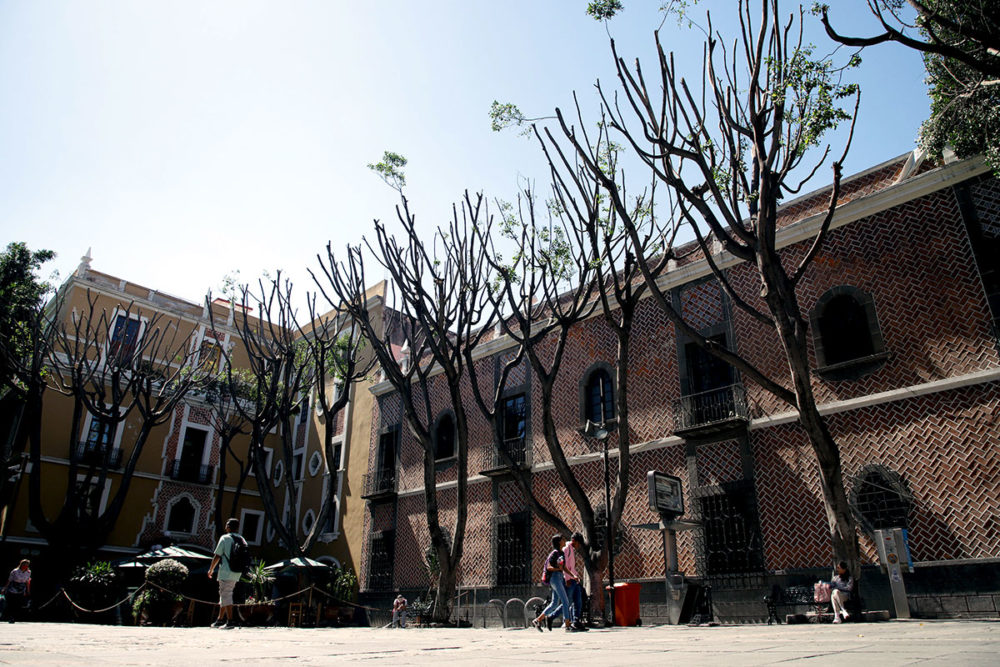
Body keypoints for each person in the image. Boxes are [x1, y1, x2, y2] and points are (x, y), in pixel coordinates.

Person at [532, 535, 575, 633]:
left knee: (555, 603)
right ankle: (567, 625)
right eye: (563, 539)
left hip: (559, 577)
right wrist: (557, 569)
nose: (564, 540)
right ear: (559, 542)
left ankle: (537, 620)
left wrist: (573, 575)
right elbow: (549, 567)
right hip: (555, 578)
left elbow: (564, 568)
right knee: (565, 601)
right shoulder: (554, 553)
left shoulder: (562, 553)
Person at [207, 518, 244, 629]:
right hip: (237, 571)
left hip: (226, 571)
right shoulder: (241, 539)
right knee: (224, 594)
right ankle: (219, 619)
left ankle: (230, 621)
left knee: (226, 594)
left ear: (228, 526)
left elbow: (217, 555)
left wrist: (211, 569)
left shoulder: (225, 538)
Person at [563, 533, 588, 631]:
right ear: (574, 541)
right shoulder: (566, 549)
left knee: (578, 600)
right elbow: (564, 566)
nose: (579, 546)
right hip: (570, 580)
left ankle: (576, 621)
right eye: (578, 543)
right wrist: (567, 579)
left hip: (574, 579)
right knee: (567, 601)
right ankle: (552, 617)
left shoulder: (571, 549)